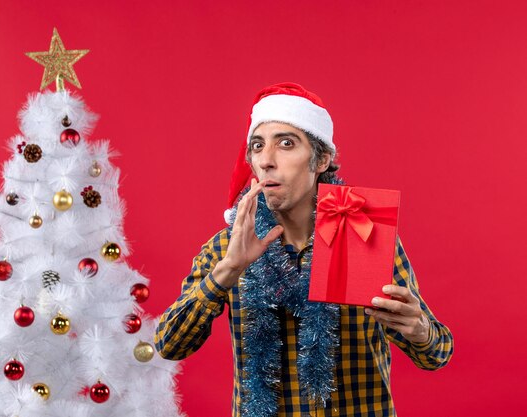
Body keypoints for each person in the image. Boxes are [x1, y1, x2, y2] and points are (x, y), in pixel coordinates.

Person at [154, 82, 453, 417]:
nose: (267, 160)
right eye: (257, 146)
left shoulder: (363, 234)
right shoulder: (227, 246)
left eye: (286, 143)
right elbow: (168, 344)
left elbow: (436, 355)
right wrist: (227, 271)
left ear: (321, 159)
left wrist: (420, 330)